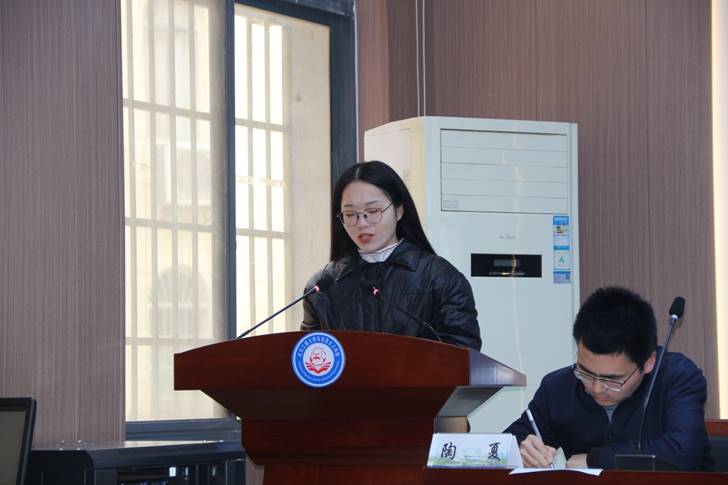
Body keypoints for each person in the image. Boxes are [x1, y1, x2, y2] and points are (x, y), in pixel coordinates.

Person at [505, 286, 712, 470]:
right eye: (585, 372)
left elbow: (683, 451)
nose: (596, 388)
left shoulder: (677, 377)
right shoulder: (557, 388)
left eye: (612, 379)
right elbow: (499, 449)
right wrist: (520, 451)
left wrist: (595, 460)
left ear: (648, 362)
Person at [300, 160, 481, 351]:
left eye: (373, 211)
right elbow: (308, 357)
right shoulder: (321, 287)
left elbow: (462, 355)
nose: (362, 223)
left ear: (399, 211)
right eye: (351, 214)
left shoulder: (441, 279)